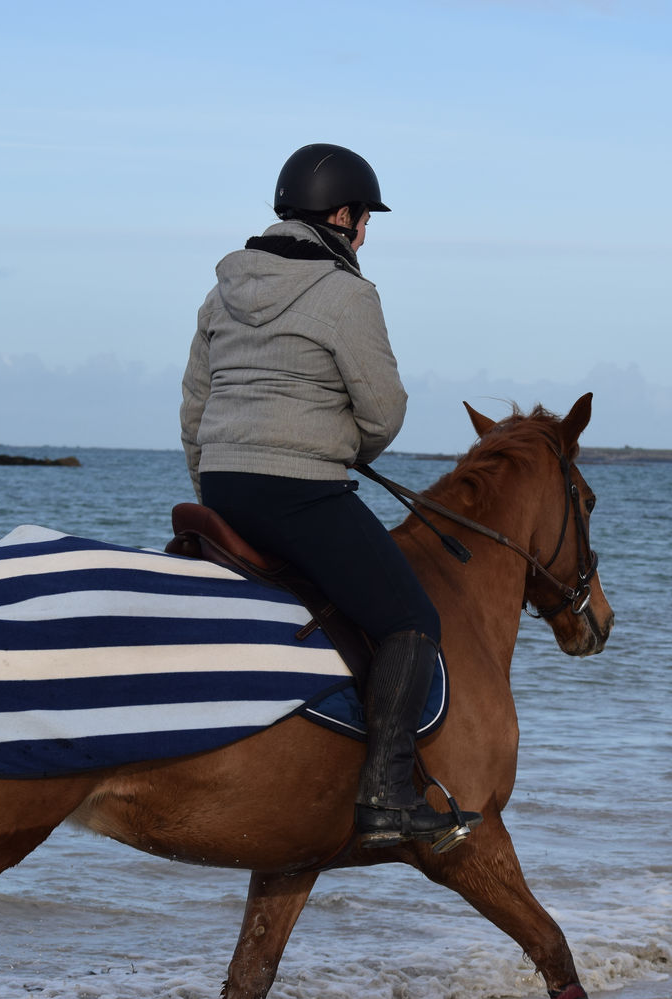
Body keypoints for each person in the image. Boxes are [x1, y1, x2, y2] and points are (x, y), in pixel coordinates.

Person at [179, 143, 479, 850]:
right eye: (366, 218)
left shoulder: (219, 292)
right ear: (341, 217)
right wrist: (337, 452)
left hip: (220, 487)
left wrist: (216, 485)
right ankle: (386, 796)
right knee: (410, 616)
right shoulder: (349, 295)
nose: (367, 233)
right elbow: (384, 411)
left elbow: (195, 409)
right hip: (300, 492)